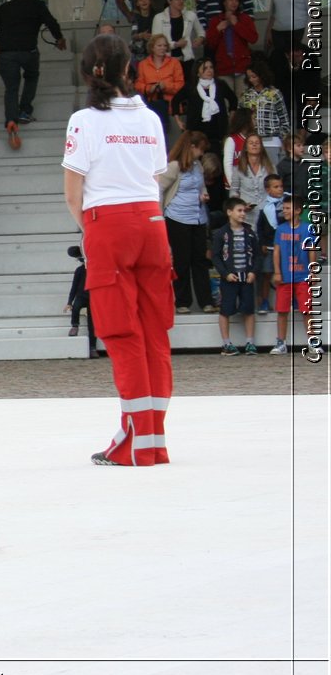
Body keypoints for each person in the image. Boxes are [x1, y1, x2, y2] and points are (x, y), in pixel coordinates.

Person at [61, 33, 175, 465]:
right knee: (153, 331)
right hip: (151, 222)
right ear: (129, 69)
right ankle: (153, 439)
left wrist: (91, 232)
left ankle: (135, 443)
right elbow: (157, 176)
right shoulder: (149, 118)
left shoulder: (83, 121)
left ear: (90, 72)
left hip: (107, 223)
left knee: (121, 333)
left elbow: (74, 194)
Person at [0, 0, 66, 148]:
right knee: (31, 77)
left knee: (11, 88)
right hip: (28, 52)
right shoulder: (37, 5)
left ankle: (11, 120)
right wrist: (59, 39)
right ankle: (25, 111)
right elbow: (51, 22)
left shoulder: (6, 7)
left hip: (7, 53)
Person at [161, 132, 215, 315]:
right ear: (191, 147)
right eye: (200, 148)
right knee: (181, 260)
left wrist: (203, 194)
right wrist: (160, 216)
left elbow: (200, 186)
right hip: (177, 218)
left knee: (200, 259)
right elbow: (159, 190)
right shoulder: (174, 167)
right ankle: (182, 301)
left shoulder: (197, 165)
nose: (201, 153)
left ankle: (206, 301)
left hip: (197, 217)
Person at [212, 198, 260, 356]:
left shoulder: (249, 232)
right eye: (239, 211)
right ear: (229, 212)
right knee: (225, 309)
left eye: (244, 211)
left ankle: (250, 342)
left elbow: (257, 254)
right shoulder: (221, 233)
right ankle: (226, 343)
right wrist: (225, 274)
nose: (243, 214)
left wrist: (253, 271)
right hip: (229, 279)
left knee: (248, 309)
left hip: (246, 278)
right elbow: (216, 257)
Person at [270, 195, 317, 354]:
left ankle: (312, 341)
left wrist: (312, 272)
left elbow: (311, 251)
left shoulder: (308, 228)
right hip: (284, 277)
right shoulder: (280, 229)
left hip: (302, 276)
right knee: (282, 310)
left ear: (298, 210)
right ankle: (281, 342)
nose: (285, 211)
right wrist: (277, 271)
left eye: (288, 208)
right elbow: (276, 252)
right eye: (284, 209)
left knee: (307, 310)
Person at [264, 0, 309, 87]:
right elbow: (273, 12)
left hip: (298, 31)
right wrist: (268, 32)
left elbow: (312, 12)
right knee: (280, 67)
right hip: (278, 32)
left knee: (298, 66)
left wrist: (307, 36)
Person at [135, 35, 184, 140]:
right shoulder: (143, 64)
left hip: (171, 108)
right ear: (152, 47)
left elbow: (180, 85)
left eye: (165, 45)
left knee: (173, 140)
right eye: (159, 45)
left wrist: (166, 86)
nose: (163, 48)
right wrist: (149, 88)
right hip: (151, 107)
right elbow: (138, 84)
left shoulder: (174, 63)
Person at [152, 0, 201, 83]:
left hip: (186, 60)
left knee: (188, 88)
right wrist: (176, 44)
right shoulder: (159, 18)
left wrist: (200, 38)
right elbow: (155, 43)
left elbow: (201, 32)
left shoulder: (191, 15)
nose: (181, 1)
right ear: (169, 1)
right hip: (166, 60)